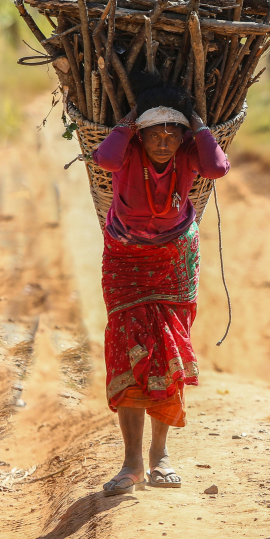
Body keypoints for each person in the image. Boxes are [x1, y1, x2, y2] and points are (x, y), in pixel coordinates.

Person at [89, 82, 229, 495]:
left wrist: (197, 124)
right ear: (142, 135)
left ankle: (160, 456)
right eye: (156, 135)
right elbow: (103, 157)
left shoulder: (188, 153)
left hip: (173, 257)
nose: (165, 143)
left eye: (173, 135)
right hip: (126, 256)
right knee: (128, 346)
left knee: (168, 349)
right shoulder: (128, 152)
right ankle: (131, 463)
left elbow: (218, 167)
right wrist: (132, 120)